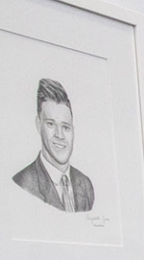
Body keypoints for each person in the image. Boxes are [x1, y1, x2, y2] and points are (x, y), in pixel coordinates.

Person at [12, 78, 96, 213]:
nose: (60, 135)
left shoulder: (85, 184)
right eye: (51, 124)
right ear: (39, 125)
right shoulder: (23, 184)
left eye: (66, 127)